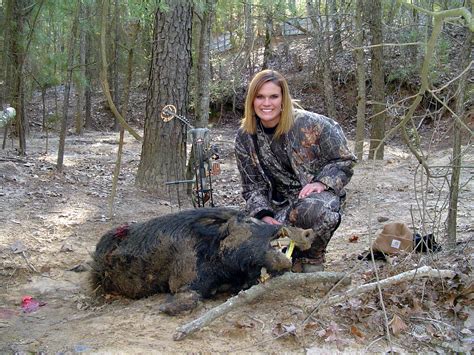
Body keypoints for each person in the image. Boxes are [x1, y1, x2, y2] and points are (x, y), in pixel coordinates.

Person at [235, 69, 357, 272]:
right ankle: (284, 257)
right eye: (260, 97)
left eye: (273, 96)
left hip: (315, 198)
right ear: (251, 100)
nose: (267, 103)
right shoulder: (244, 137)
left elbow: (345, 160)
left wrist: (321, 182)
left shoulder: (312, 124)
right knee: (240, 231)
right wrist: (263, 215)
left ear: (283, 99)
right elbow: (252, 187)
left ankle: (311, 258)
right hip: (277, 207)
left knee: (312, 212)